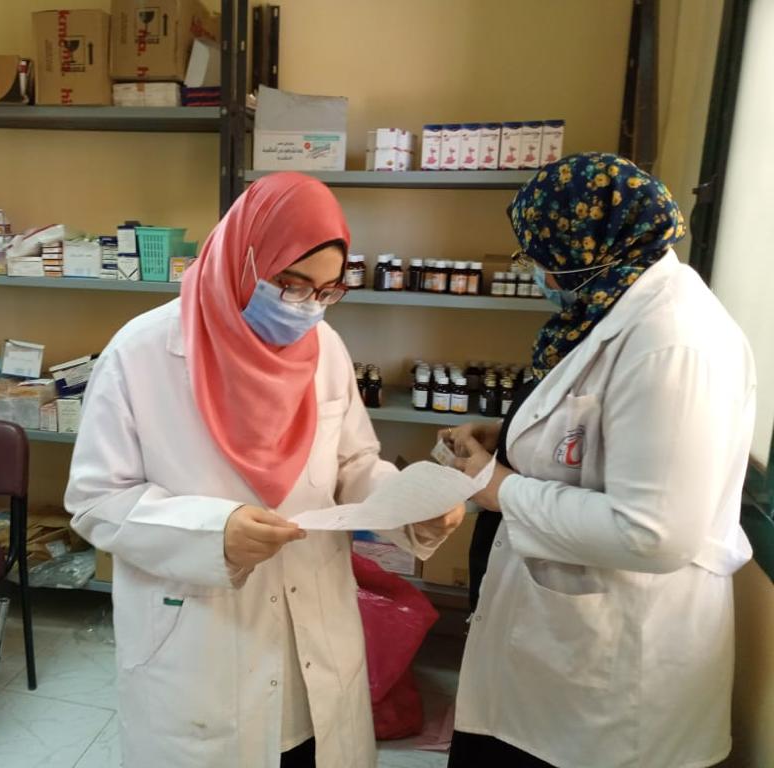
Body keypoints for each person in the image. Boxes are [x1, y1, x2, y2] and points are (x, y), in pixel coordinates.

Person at [65, 172, 465, 768]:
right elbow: (96, 500)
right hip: (198, 639)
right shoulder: (140, 353)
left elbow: (353, 461)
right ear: (242, 254)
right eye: (290, 283)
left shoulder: (324, 348)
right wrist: (213, 532)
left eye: (327, 290)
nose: (306, 307)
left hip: (315, 631)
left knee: (312, 746)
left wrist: (409, 504)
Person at [443, 153, 755, 768]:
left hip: (616, 669)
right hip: (560, 651)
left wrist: (499, 489)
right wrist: (509, 436)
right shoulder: (616, 303)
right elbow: (607, 437)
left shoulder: (674, 342)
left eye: (539, 254)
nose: (537, 271)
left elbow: (654, 533)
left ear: (587, 245)